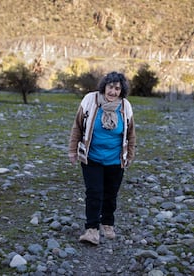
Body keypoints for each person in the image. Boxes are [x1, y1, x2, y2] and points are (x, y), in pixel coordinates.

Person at [68, 71, 136, 245]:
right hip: (92, 158)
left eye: (117, 89)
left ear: (122, 91)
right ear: (104, 87)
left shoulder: (125, 106)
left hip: (115, 159)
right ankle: (92, 230)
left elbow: (131, 133)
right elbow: (77, 126)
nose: (113, 92)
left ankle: (108, 223)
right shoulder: (90, 100)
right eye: (110, 87)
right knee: (94, 193)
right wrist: (73, 150)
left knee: (110, 194)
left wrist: (130, 153)